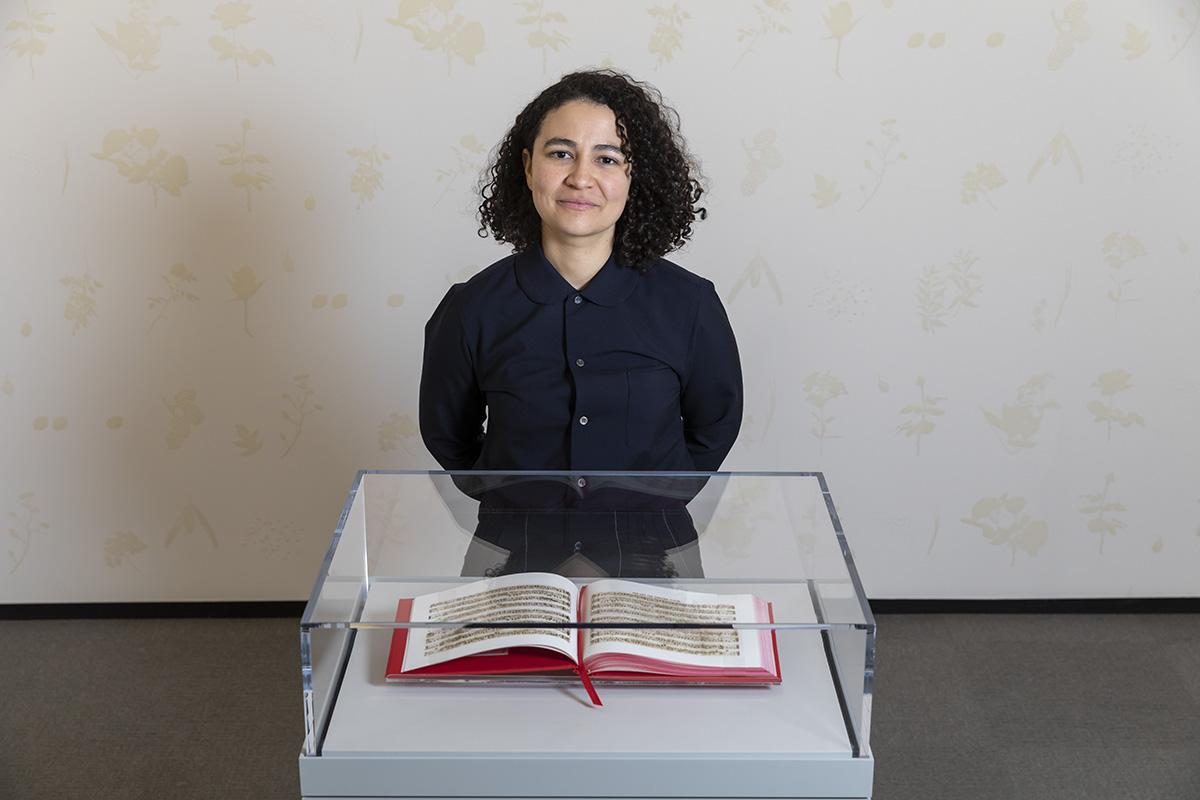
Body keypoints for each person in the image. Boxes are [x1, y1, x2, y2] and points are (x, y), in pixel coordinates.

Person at [419, 69, 742, 578]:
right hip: (511, 553)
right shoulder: (471, 307)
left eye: (607, 158)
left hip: (653, 554)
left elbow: (714, 426)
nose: (581, 178)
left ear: (635, 177)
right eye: (560, 153)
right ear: (528, 168)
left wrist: (655, 498)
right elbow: (447, 434)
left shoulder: (690, 304)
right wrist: (513, 496)